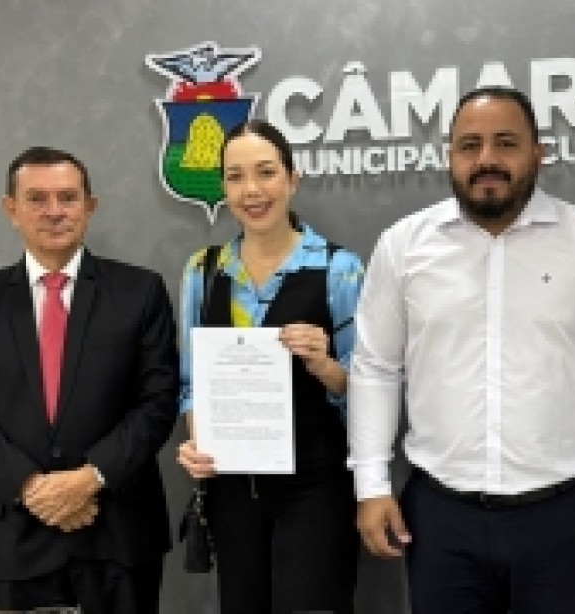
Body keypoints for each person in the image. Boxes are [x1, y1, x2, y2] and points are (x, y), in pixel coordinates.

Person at [348, 86, 575, 614]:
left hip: (566, 518)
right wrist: (371, 484)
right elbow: (376, 368)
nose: (487, 160)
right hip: (440, 517)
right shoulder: (403, 246)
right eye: (470, 145)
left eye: (506, 143)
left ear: (538, 153)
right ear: (449, 155)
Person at [0, 146, 180, 613]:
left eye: (68, 198)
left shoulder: (140, 292)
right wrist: (32, 488)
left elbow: (157, 402)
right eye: (36, 198)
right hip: (18, 534)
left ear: (90, 206)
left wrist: (88, 480)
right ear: (11, 209)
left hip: (117, 531)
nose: (54, 211)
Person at [175, 120, 364, 614]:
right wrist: (198, 442)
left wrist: (324, 364)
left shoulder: (339, 269)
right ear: (223, 187)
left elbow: (368, 391)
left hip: (315, 487)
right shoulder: (203, 270)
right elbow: (192, 383)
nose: (251, 190)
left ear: (292, 179)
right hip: (232, 491)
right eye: (235, 177)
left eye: (265, 173)